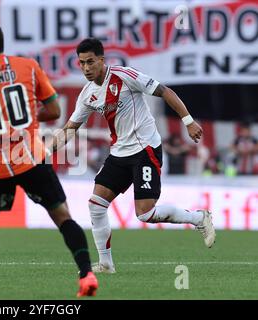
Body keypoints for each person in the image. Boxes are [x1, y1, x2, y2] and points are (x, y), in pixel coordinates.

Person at [0, 21, 98, 297]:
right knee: (62, 216)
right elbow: (53, 110)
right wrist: (28, 115)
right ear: (2, 42)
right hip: (31, 158)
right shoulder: (27, 67)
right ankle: (87, 274)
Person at [49, 38, 216, 274]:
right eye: (82, 63)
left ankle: (199, 218)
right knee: (96, 205)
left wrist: (188, 121)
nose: (86, 68)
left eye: (90, 62)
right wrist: (45, 151)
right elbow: (69, 129)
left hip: (145, 149)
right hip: (119, 153)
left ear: (101, 60)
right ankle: (106, 263)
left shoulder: (124, 75)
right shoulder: (87, 95)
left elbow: (164, 91)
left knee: (145, 213)